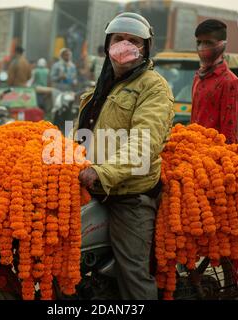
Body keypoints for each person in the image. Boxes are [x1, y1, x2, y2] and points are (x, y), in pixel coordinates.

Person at [75, 12, 175, 300]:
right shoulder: (102, 86)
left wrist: (102, 172)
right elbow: (84, 135)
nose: (125, 45)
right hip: (94, 190)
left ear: (145, 48)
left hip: (130, 196)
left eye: (133, 40)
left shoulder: (153, 86)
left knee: (132, 274)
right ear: (108, 44)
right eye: (119, 39)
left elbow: (144, 142)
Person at [190, 19, 238, 144]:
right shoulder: (198, 77)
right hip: (194, 150)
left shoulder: (229, 82)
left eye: (208, 42)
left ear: (221, 45)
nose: (202, 47)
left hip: (214, 156)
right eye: (199, 42)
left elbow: (229, 133)